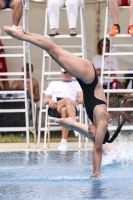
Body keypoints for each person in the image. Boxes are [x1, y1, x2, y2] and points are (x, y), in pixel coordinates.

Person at [3, 25, 109, 178]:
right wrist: (96, 172)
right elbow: (98, 148)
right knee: (53, 49)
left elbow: (93, 139)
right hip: (88, 75)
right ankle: (22, 35)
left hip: (85, 77)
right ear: (100, 133)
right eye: (93, 136)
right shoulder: (101, 118)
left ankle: (24, 33)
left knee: (53, 51)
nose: (89, 133)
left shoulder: (96, 120)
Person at [44, 68, 83, 151]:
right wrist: (50, 101)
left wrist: (76, 101)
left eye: (69, 72)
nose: (67, 74)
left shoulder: (77, 84)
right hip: (56, 107)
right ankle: (75, 125)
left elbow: (82, 99)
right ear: (61, 72)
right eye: (65, 72)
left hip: (71, 108)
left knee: (64, 109)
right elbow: (45, 100)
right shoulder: (54, 83)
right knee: (67, 99)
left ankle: (63, 141)